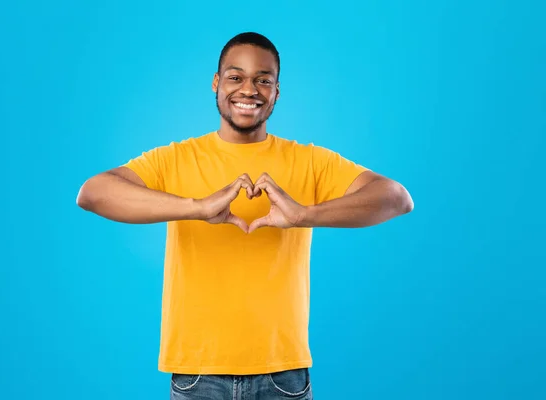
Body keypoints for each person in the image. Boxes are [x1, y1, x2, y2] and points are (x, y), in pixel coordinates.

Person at [77, 31, 413, 400]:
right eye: (236, 77)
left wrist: (305, 214)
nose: (248, 89)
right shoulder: (175, 158)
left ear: (277, 92)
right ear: (216, 83)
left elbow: (396, 197)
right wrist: (196, 208)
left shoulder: (309, 161)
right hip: (197, 373)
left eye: (263, 80)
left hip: (283, 375)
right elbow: (93, 193)